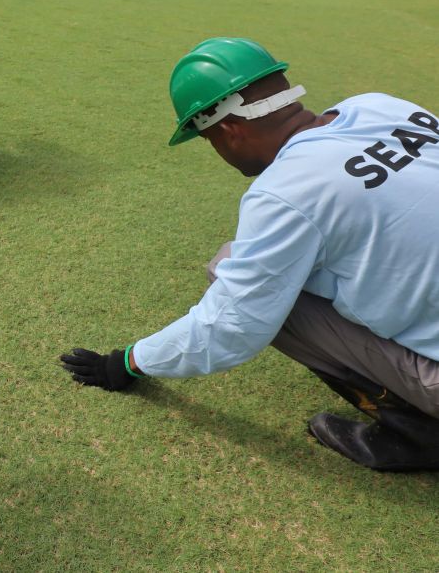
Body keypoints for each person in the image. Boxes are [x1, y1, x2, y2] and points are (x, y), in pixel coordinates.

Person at [61, 38, 439, 471]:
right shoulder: (381, 107)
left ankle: (419, 433)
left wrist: (128, 362)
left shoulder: (287, 191)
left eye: (208, 140)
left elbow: (232, 326)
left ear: (228, 131)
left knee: (239, 275)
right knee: (281, 266)